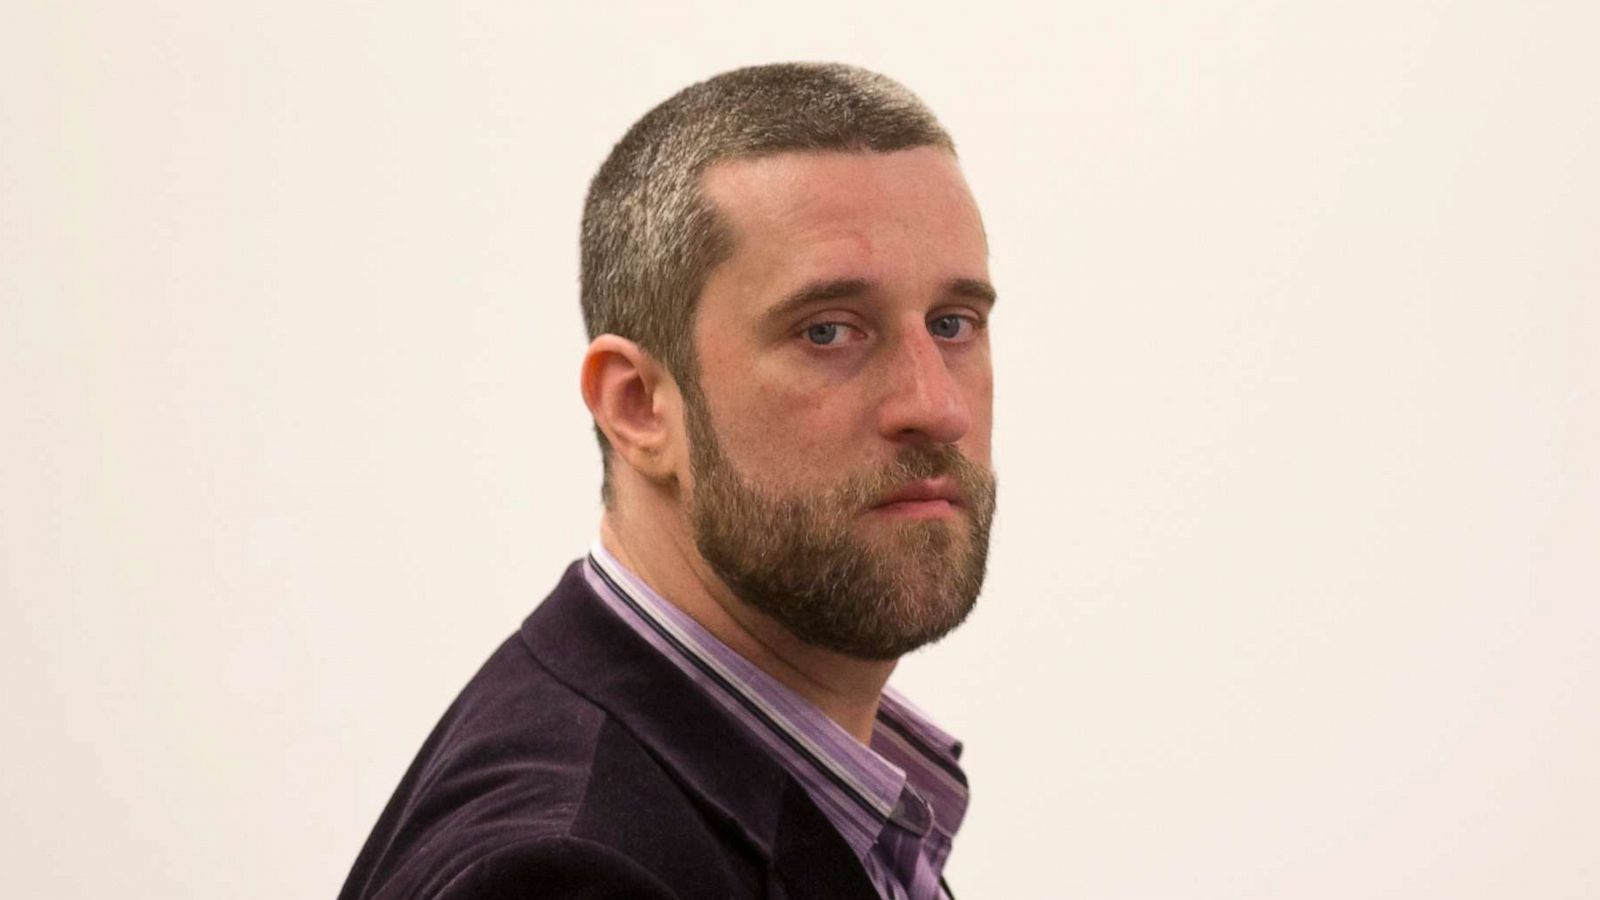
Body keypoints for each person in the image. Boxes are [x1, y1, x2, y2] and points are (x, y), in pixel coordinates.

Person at [339, 62, 999, 900]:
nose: (936, 406)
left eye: (954, 324)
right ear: (639, 405)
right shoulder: (564, 876)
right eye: (828, 331)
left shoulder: (840, 794)